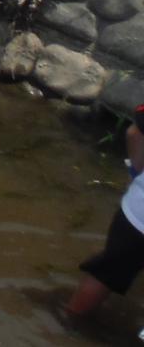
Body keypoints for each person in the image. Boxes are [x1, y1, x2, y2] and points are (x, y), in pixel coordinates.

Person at [70, 106, 144, 326]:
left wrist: (135, 170)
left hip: (139, 216)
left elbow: (135, 132)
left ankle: (71, 325)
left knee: (105, 274)